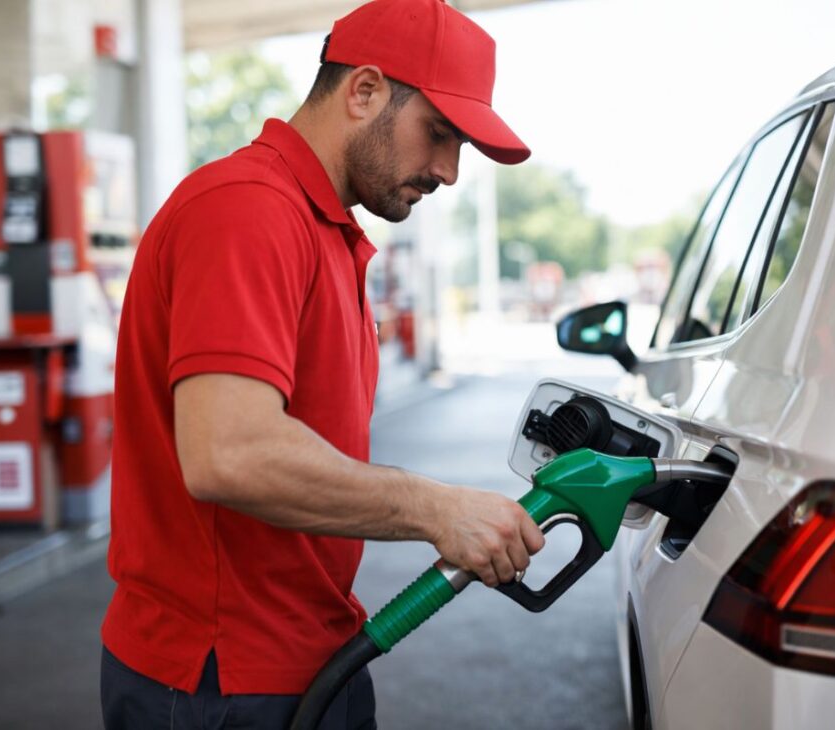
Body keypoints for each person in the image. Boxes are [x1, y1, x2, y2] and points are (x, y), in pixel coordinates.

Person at [99, 0, 543, 728]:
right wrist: (436, 509)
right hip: (220, 677)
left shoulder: (321, 229)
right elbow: (228, 454)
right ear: (363, 91)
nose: (449, 172)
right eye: (438, 134)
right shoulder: (247, 209)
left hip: (299, 655)